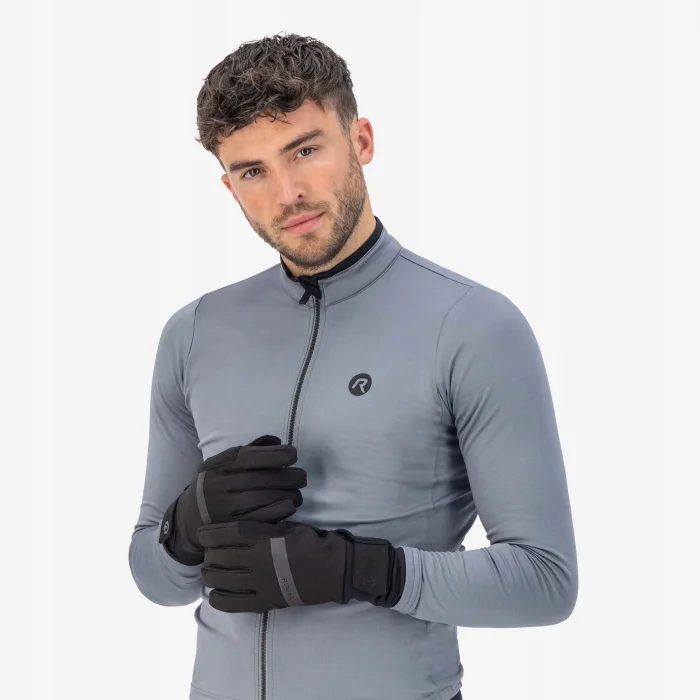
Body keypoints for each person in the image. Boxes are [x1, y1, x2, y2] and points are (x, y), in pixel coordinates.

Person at [128, 32, 578, 700]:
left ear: (360, 140)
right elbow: (155, 580)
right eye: (252, 171)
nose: (287, 193)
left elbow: (544, 581)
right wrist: (187, 524)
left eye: (305, 150)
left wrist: (364, 571)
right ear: (229, 186)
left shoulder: (473, 326)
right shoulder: (194, 333)